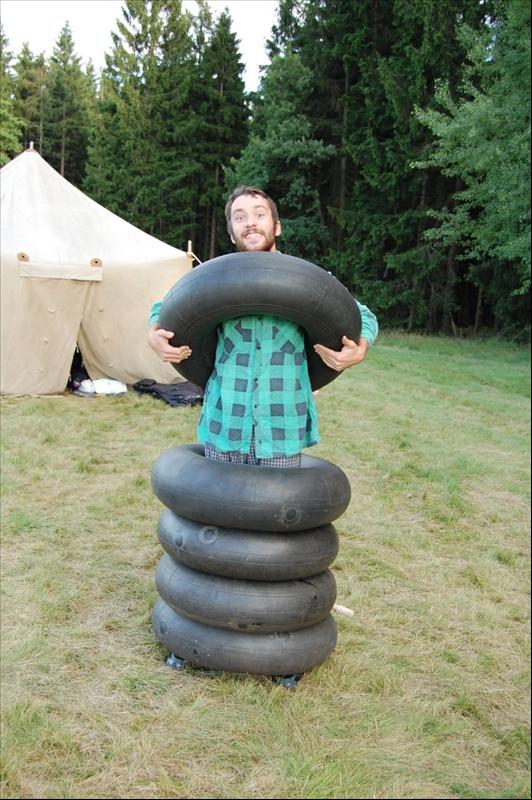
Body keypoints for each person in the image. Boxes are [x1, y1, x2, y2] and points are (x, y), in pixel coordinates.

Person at [148, 186, 378, 468]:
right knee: (220, 497)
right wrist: (153, 333)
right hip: (225, 424)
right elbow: (165, 307)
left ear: (277, 227)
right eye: (240, 217)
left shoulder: (308, 279)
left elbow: (363, 315)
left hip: (282, 429)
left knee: (278, 498)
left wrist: (361, 349)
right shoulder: (212, 278)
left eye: (259, 214)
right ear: (231, 233)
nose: (251, 223)